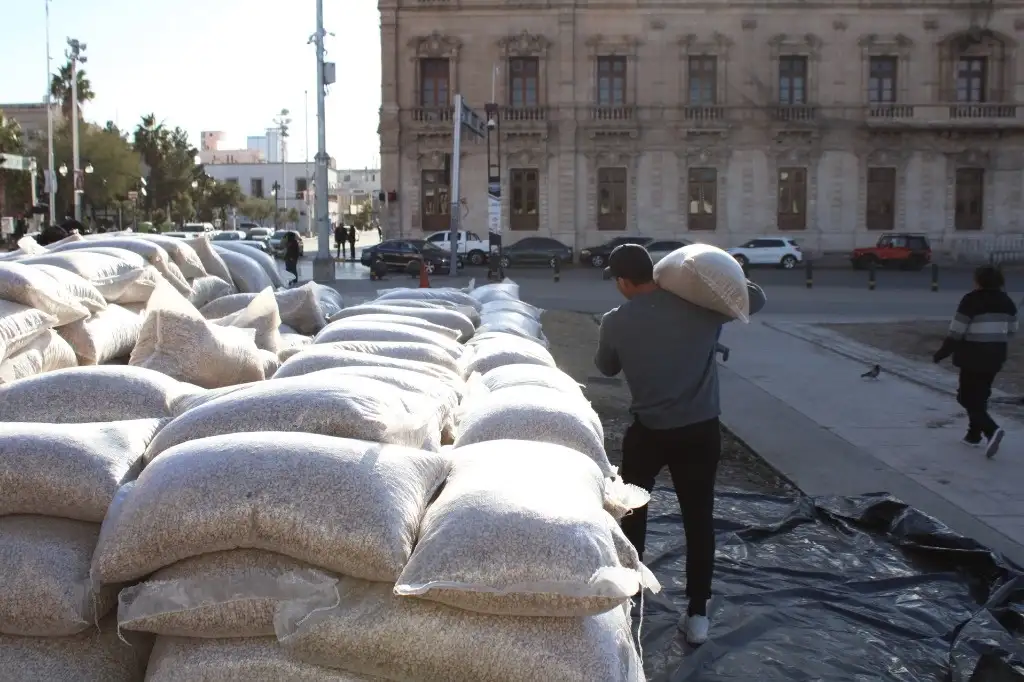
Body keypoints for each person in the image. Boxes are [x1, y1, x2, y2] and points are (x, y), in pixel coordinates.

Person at [593, 244, 766, 646]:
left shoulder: (615, 321)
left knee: (632, 512)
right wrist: (714, 273)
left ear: (622, 281)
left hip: (649, 432)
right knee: (698, 519)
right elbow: (752, 298)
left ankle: (630, 600)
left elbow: (607, 367)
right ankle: (698, 614)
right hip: (700, 432)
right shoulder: (700, 307)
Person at [933, 265, 1017, 457]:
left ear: (979, 281)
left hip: (972, 357)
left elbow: (956, 332)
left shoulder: (971, 300)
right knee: (980, 396)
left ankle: (990, 430)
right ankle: (973, 436)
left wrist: (941, 354)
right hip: (995, 357)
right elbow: (1011, 332)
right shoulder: (1008, 302)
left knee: (965, 397)